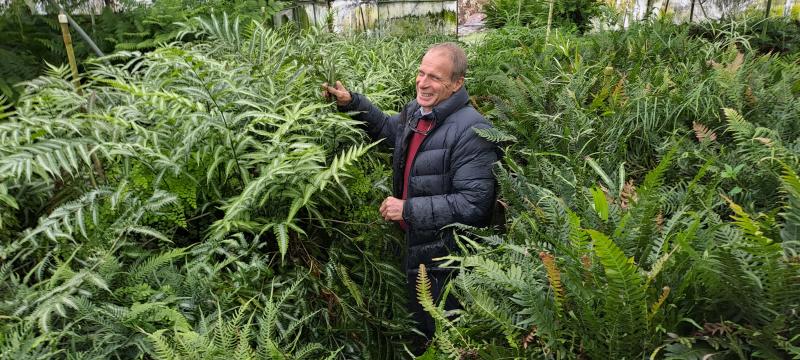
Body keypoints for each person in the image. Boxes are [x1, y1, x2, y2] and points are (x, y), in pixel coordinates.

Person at [322, 42, 497, 348]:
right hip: (415, 246)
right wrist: (352, 102)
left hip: (446, 259)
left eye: (435, 77)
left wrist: (408, 209)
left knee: (442, 335)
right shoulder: (417, 113)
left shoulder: (473, 131)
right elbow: (389, 130)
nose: (423, 82)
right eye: (421, 73)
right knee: (419, 325)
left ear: (457, 84)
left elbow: (475, 204)